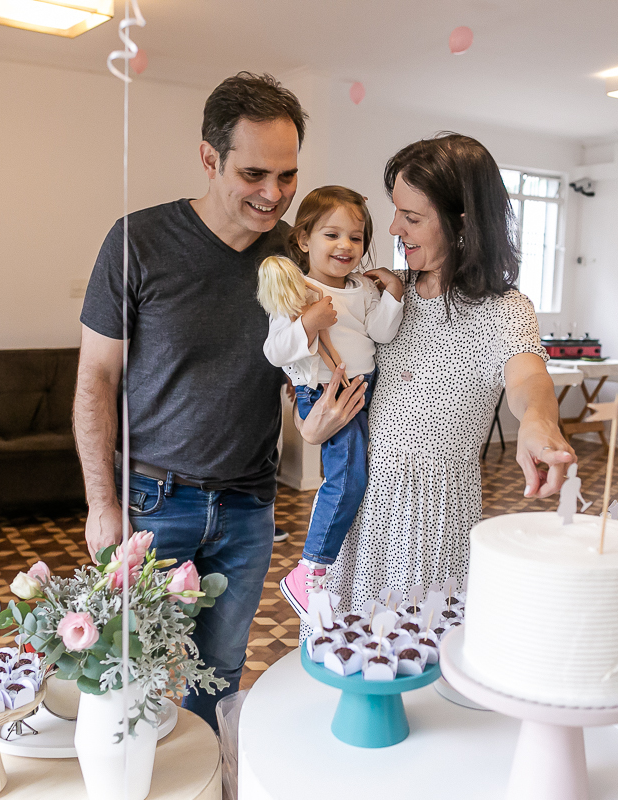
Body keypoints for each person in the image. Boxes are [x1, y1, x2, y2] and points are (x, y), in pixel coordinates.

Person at [74, 73, 366, 729]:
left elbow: (305, 361)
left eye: (288, 175)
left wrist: (313, 422)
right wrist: (101, 503)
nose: (275, 195)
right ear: (210, 158)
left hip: (248, 510)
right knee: (130, 680)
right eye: (255, 173)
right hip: (152, 503)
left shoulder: (295, 255)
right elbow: (96, 376)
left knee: (219, 678)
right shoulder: (138, 241)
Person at [301, 133, 576, 614]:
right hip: (358, 509)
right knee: (345, 655)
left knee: (418, 659)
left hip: (432, 525)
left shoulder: (503, 310)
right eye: (395, 212)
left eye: (410, 217)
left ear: (461, 221)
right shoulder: (382, 292)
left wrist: (538, 421)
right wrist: (312, 426)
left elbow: (529, 378)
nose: (392, 228)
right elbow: (320, 364)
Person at [257, 186, 404, 615]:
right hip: (326, 392)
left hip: (364, 388)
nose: (345, 246)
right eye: (331, 235)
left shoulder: (362, 288)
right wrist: (309, 321)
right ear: (304, 240)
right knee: (347, 480)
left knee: (361, 479)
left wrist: (393, 291)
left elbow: (382, 333)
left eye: (355, 238)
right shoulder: (296, 289)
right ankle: (309, 570)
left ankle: (333, 569)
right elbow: (275, 352)